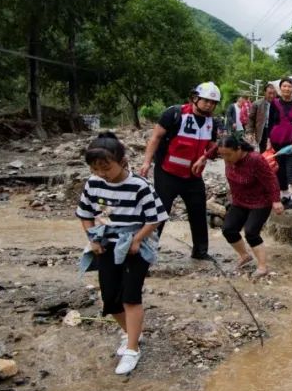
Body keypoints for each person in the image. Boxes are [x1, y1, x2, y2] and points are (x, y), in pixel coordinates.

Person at [77, 132, 168, 375]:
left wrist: (137, 240)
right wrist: (92, 239)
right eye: (96, 168)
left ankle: (132, 349)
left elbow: (155, 219)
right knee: (110, 298)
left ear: (122, 161)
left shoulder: (140, 186)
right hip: (106, 242)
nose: (102, 173)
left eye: (107, 168)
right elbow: (85, 214)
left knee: (130, 296)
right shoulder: (93, 183)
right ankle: (132, 334)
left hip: (136, 244)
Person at [140, 82, 220, 260]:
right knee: (159, 213)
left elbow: (211, 146)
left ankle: (200, 251)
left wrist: (210, 155)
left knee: (198, 211)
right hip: (167, 172)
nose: (209, 105)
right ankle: (145, 254)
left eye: (213, 102)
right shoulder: (174, 114)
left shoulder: (211, 122)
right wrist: (146, 162)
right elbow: (156, 138)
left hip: (193, 176)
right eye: (206, 101)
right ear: (195, 98)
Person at [217, 135, 283, 275]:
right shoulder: (226, 155)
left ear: (238, 149)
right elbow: (213, 150)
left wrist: (276, 200)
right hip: (240, 200)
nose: (226, 159)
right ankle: (244, 256)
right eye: (222, 155)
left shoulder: (255, 159)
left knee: (251, 232)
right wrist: (203, 158)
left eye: (228, 155)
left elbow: (271, 179)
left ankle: (262, 267)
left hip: (260, 201)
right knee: (228, 229)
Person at [267, 77, 292, 209]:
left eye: (289, 86)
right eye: (284, 86)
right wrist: (268, 141)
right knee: (280, 169)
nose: (286, 88)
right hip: (276, 140)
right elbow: (271, 123)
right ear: (280, 88)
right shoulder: (275, 103)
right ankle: (284, 194)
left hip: (291, 141)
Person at [248, 84, 276, 149]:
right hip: (263, 131)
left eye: (273, 93)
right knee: (264, 151)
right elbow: (251, 119)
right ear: (265, 93)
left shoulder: (279, 104)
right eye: (269, 93)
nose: (272, 96)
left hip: (275, 131)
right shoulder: (257, 104)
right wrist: (250, 132)